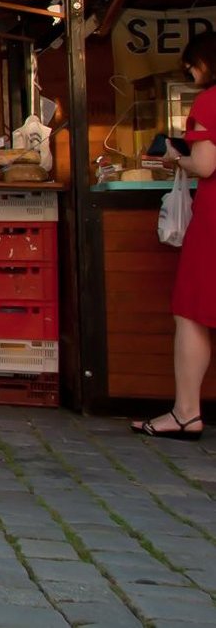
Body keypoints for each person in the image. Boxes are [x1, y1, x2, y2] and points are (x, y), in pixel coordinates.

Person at [133, 33, 216, 441]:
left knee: (192, 312)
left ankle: (186, 412)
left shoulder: (208, 101)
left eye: (192, 64)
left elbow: (204, 164)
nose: (189, 71)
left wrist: (173, 155)